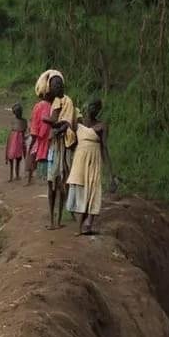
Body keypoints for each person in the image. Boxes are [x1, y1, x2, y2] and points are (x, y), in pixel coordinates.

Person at [67, 99, 116, 235]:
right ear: (87, 107)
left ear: (99, 110)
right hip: (79, 160)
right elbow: (71, 141)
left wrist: (111, 174)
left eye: (96, 107)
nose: (93, 109)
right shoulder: (79, 124)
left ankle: (88, 223)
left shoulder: (102, 126)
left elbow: (104, 148)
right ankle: (80, 225)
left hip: (94, 160)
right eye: (91, 106)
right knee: (80, 188)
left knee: (93, 188)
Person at [42, 72, 79, 230]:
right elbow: (58, 122)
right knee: (51, 183)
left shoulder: (67, 101)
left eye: (58, 84)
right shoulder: (56, 101)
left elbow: (66, 123)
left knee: (62, 182)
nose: (56, 87)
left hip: (64, 145)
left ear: (63, 85)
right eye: (53, 85)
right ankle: (52, 220)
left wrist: (53, 124)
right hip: (54, 146)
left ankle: (58, 220)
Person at [27, 73, 53, 185]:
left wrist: (32, 141)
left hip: (40, 139)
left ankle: (31, 178)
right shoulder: (55, 105)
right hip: (51, 139)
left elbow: (35, 128)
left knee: (31, 153)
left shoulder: (38, 107)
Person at [5, 103, 27, 182]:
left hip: (19, 140)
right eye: (16, 112)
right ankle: (11, 176)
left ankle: (17, 175)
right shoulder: (15, 120)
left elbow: (24, 131)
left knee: (18, 158)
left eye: (19, 112)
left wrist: (23, 140)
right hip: (13, 140)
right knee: (11, 158)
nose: (18, 113)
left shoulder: (24, 121)